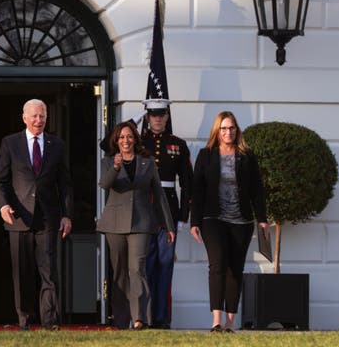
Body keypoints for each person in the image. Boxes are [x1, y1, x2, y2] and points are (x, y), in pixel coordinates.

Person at [0, 98, 73, 331]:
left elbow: (65, 184)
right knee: (22, 272)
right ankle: (24, 319)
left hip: (48, 217)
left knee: (48, 271)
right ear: (24, 117)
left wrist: (67, 215)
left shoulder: (57, 144)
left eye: (43, 116)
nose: (39, 120)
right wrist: (3, 206)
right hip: (18, 217)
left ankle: (50, 321)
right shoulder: (10, 143)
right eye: (34, 116)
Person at [190, 111, 268, 333]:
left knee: (235, 269)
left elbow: (256, 189)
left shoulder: (247, 155)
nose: (228, 132)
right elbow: (198, 189)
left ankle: (231, 322)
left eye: (231, 128)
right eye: (223, 128)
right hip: (213, 219)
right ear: (217, 130)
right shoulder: (206, 155)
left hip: (241, 221)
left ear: (237, 130)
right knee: (217, 265)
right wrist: (194, 221)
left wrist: (262, 219)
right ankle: (216, 320)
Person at [96, 121, 175, 330]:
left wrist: (168, 225)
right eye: (121, 137)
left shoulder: (147, 163)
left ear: (135, 139)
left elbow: (159, 196)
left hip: (141, 223)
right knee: (120, 272)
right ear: (116, 141)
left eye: (129, 136)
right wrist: (115, 167)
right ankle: (121, 321)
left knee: (137, 270)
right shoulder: (108, 162)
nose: (126, 140)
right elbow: (104, 184)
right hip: (114, 225)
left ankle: (140, 318)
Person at [141, 98, 193, 330]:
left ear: (167, 117)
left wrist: (183, 216)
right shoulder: (137, 141)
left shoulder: (178, 144)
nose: (158, 119)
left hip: (168, 214)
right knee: (145, 266)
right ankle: (145, 316)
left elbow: (188, 184)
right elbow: (107, 145)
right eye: (153, 115)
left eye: (162, 114)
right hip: (142, 212)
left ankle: (161, 318)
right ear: (147, 117)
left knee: (164, 267)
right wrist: (132, 120)